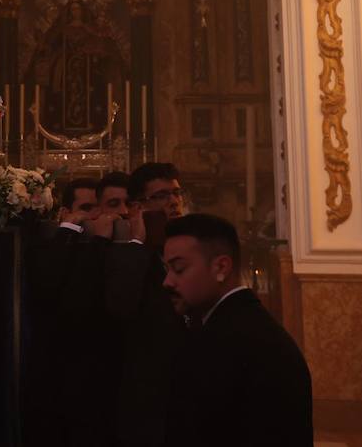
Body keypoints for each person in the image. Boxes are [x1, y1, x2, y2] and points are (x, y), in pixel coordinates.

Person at [161, 213, 312, 447]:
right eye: (167, 269)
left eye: (179, 269)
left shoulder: (223, 342)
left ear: (221, 266)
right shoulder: (240, 326)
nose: (168, 281)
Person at [100, 161, 190, 447]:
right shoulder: (126, 253)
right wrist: (138, 244)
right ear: (138, 206)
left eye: (176, 193)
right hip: (146, 388)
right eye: (162, 196)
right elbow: (120, 306)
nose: (174, 202)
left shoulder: (190, 245)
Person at [24, 177, 113, 447]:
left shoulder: (112, 245)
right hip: (56, 379)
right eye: (86, 208)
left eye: (100, 208)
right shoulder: (53, 245)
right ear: (65, 213)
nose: (96, 216)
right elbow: (47, 285)